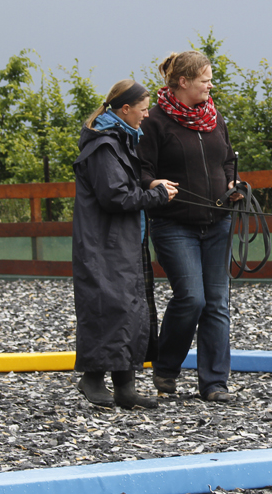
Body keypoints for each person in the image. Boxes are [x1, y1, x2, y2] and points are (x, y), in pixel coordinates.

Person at [138, 51, 241, 403]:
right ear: (183, 82)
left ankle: (215, 383)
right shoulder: (153, 122)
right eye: (205, 80)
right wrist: (153, 185)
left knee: (217, 303)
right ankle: (166, 367)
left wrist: (232, 184)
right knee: (192, 299)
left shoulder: (215, 118)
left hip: (218, 222)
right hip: (173, 225)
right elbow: (142, 170)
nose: (210, 85)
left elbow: (227, 159)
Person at [72, 79, 179, 409]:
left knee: (129, 307)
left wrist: (152, 188)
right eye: (143, 110)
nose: (147, 116)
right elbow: (115, 196)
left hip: (120, 240)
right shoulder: (105, 146)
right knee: (109, 307)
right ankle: (92, 379)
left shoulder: (118, 141)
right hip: (104, 242)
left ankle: (125, 386)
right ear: (125, 109)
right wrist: (157, 195)